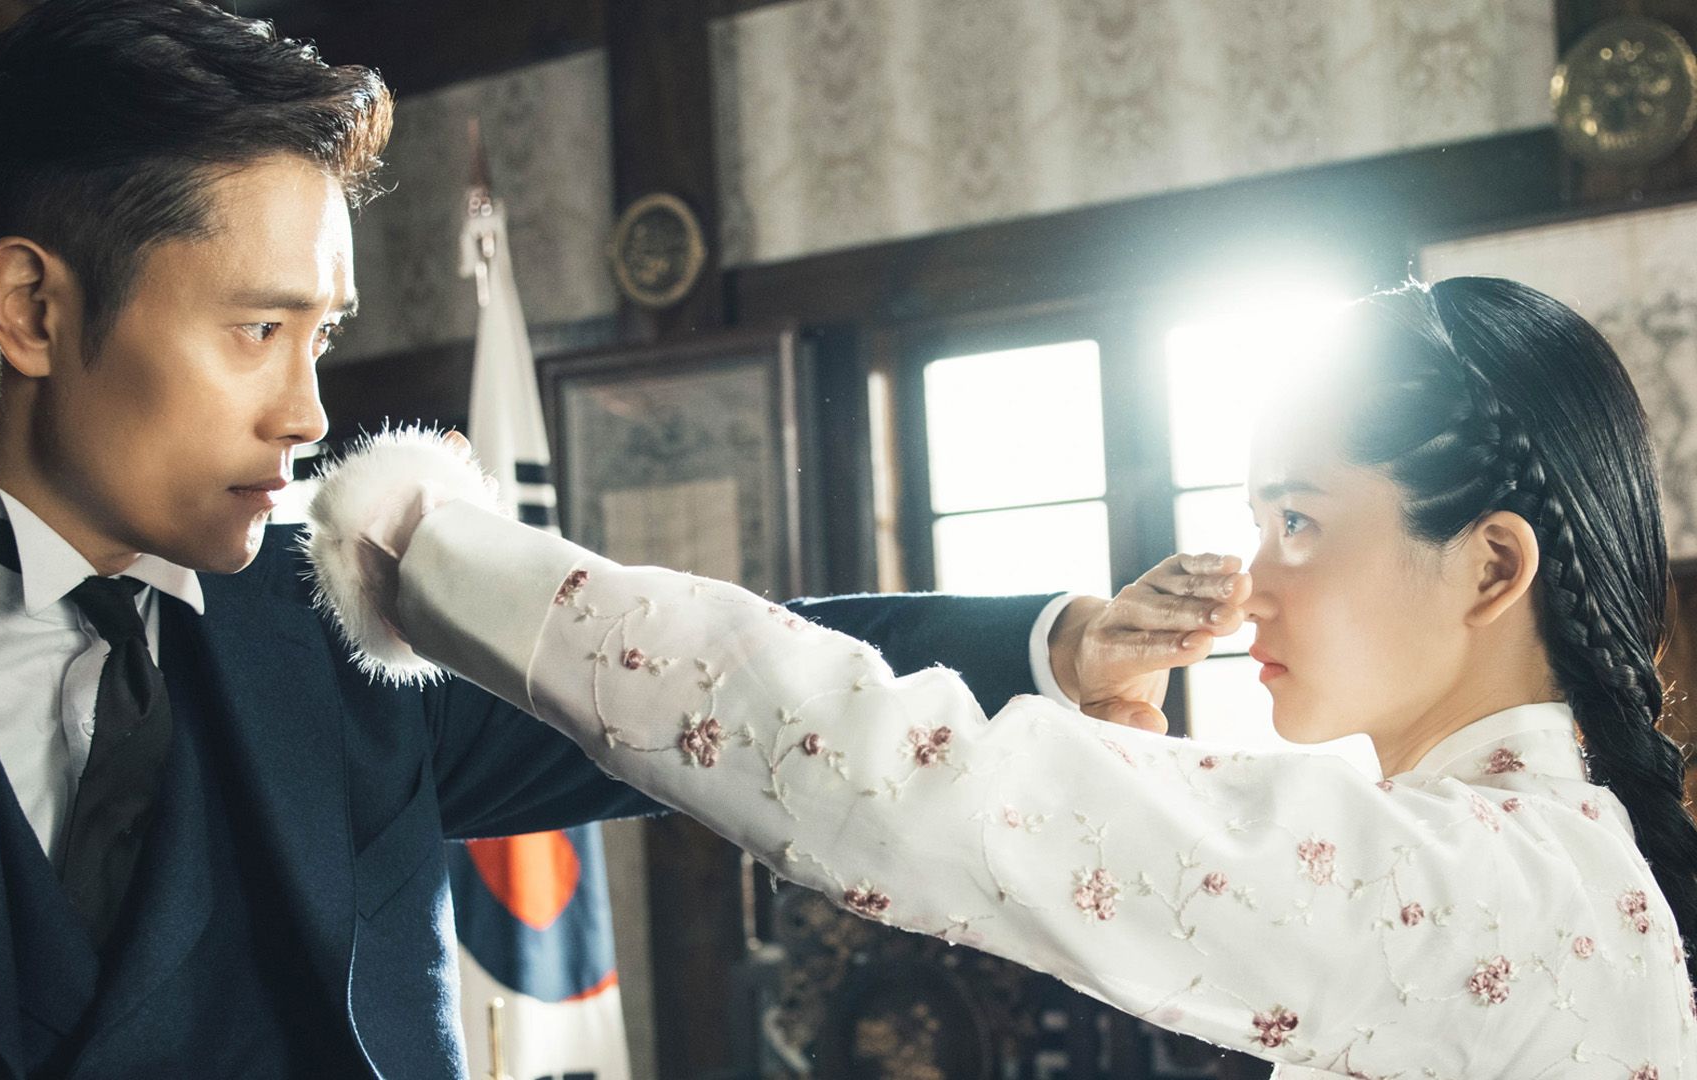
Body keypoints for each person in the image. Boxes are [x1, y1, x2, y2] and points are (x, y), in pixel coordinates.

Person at [0, 1, 1229, 1076]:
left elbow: (721, 681)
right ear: (32, 307)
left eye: (321, 335)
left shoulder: (357, 613)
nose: (310, 412)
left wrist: (1050, 645)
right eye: (257, 330)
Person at [323, 276, 1697, 1077]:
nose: (1253, 575)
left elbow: (900, 782)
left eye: (1299, 521)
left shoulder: (1475, 885)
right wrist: (1121, 767)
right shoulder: (1543, 864)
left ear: (1491, 565)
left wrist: (441, 556)